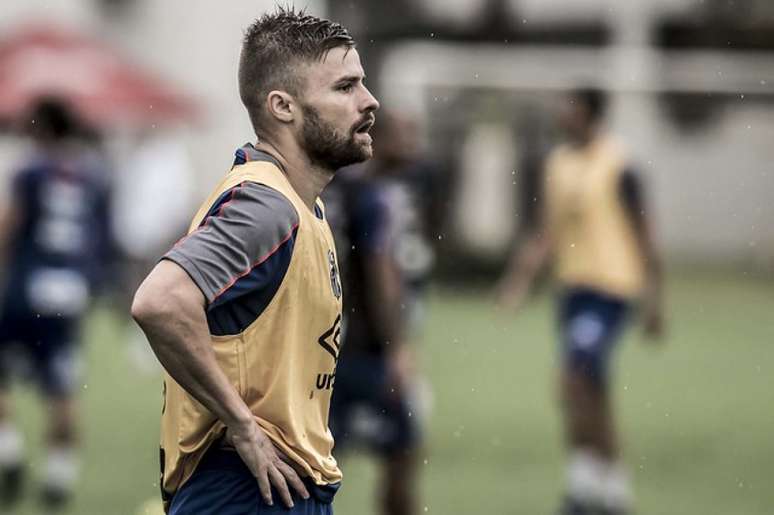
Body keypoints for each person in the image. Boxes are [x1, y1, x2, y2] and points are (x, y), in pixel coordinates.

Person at [131, 7, 379, 515]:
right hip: (247, 490)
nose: (369, 101)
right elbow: (160, 302)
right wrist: (242, 424)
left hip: (276, 487)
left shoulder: (300, 203)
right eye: (344, 87)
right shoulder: (265, 208)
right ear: (283, 106)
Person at [497, 88, 665, 515]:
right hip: (573, 290)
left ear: (590, 113)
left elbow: (645, 233)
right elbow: (546, 232)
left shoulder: (619, 163)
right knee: (592, 387)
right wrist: (519, 282)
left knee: (573, 380)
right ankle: (612, 490)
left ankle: (582, 487)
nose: (561, 113)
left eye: (570, 106)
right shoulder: (558, 164)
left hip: (612, 288)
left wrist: (655, 298)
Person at [0, 98, 113, 509]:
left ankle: (8, 452)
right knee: (62, 387)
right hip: (69, 292)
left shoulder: (31, 170)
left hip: (27, 286)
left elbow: (11, 224)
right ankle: (58, 478)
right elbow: (102, 238)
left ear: (41, 129)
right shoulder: (94, 174)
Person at [324, 111, 436, 515]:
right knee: (402, 453)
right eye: (405, 135)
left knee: (320, 459)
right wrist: (397, 347)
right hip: (366, 349)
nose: (413, 146)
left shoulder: (337, 187)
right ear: (378, 140)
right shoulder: (374, 197)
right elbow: (381, 273)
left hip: (330, 347)